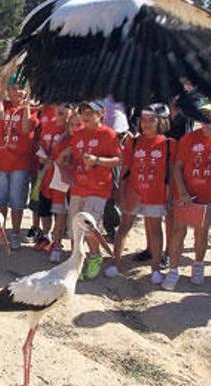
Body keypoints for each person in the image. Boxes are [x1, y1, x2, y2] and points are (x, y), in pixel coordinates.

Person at [163, 102, 211, 290]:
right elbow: (177, 167)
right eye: (204, 114)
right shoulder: (189, 138)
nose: (208, 119)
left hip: (208, 194)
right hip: (185, 193)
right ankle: (173, 270)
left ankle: (198, 265)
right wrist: (182, 191)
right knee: (178, 231)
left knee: (201, 232)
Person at [105, 104, 176, 284]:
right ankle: (115, 262)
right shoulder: (133, 141)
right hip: (134, 192)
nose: (146, 124)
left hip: (156, 194)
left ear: (161, 121)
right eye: (143, 120)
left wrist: (170, 196)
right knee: (124, 227)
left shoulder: (169, 144)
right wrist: (120, 190)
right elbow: (125, 169)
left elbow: (172, 173)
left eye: (151, 120)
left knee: (155, 229)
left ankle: (155, 268)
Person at [54, 101, 121, 279]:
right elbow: (75, 160)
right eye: (84, 112)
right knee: (74, 226)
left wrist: (97, 160)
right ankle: (75, 261)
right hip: (78, 187)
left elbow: (118, 160)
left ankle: (94, 257)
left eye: (91, 112)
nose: (87, 115)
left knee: (92, 227)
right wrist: (65, 161)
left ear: (101, 114)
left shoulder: (108, 134)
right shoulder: (78, 135)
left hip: (98, 189)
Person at [0, 77, 37, 249]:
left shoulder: (31, 110)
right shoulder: (4, 106)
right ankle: (1, 234)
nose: (18, 92)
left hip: (20, 164)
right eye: (14, 88)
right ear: (8, 91)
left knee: (17, 201)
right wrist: (0, 96)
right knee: (0, 200)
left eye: (21, 88)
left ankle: (15, 234)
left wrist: (27, 105)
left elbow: (25, 128)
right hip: (0, 162)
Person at [38, 104, 75, 262]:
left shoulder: (73, 136)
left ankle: (58, 244)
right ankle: (47, 237)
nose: (58, 115)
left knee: (60, 212)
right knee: (44, 208)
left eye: (63, 113)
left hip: (65, 180)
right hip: (47, 176)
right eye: (58, 112)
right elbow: (41, 148)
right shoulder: (49, 127)